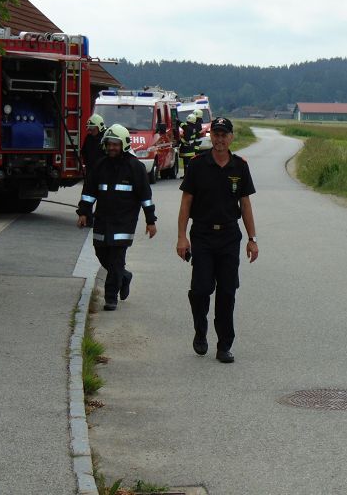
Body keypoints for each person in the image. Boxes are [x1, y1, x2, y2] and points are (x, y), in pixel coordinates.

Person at [176, 116, 258, 363]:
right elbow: (186, 202)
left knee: (227, 292)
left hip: (229, 237)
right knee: (201, 290)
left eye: (224, 135)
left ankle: (224, 345)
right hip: (202, 234)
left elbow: (245, 204)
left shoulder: (240, 166)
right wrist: (181, 237)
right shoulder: (197, 165)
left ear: (231, 137)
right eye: (216, 134)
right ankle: (200, 331)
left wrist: (252, 239)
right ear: (210, 136)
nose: (220, 139)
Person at [77, 124, 157, 311]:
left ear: (124, 144)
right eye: (109, 144)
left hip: (124, 222)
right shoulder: (100, 165)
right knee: (101, 252)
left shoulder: (135, 167)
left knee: (116, 258)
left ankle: (110, 297)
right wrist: (83, 212)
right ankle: (124, 276)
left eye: (115, 144)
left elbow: (145, 195)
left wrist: (150, 220)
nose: (112, 148)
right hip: (102, 219)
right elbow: (89, 191)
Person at [178, 113, 200, 177]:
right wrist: (178, 121)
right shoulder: (193, 128)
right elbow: (183, 125)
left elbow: (186, 139)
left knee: (187, 164)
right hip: (191, 149)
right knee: (187, 164)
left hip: (187, 150)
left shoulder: (188, 128)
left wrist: (179, 141)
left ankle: (187, 176)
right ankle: (186, 175)